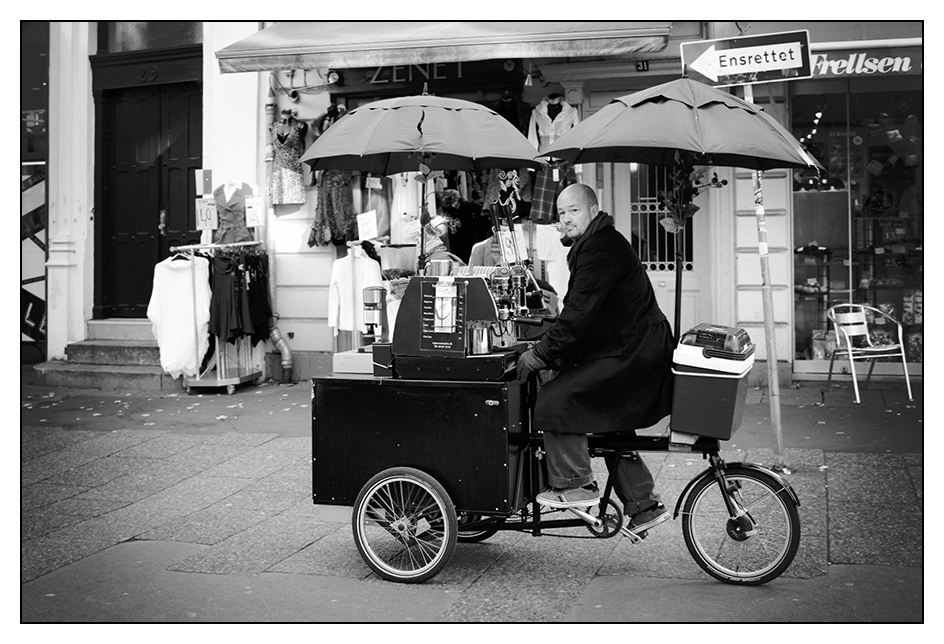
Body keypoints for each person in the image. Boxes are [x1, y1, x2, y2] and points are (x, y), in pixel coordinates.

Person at [516, 183, 675, 535]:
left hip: (632, 352)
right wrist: (555, 349)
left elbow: (576, 317)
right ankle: (643, 504)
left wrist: (540, 355)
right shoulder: (597, 242)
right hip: (633, 347)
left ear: (592, 210)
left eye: (574, 210)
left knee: (556, 400)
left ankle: (575, 484)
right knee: (609, 421)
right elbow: (583, 314)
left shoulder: (600, 248)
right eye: (561, 213)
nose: (567, 219)